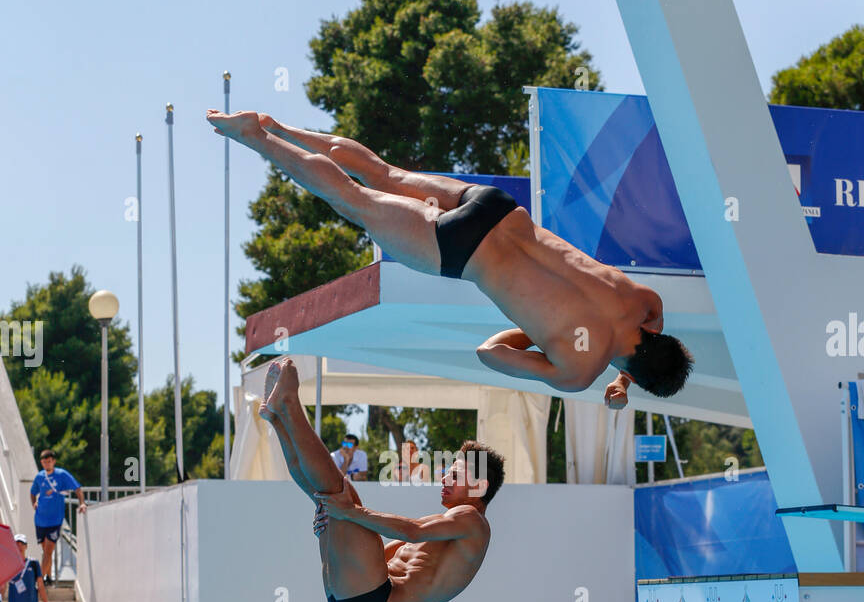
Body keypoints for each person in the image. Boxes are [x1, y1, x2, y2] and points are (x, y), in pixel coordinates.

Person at [206, 111, 694, 409]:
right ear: (637, 374)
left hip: (497, 209)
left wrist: (627, 372)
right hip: (462, 250)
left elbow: (646, 337)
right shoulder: (576, 369)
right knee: (352, 200)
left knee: (383, 172)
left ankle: (281, 127)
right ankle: (258, 138)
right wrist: (540, 333)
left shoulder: (643, 302)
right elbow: (490, 353)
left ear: (659, 338)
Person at [258, 357, 503, 602]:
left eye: (454, 475)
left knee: (339, 493)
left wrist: (351, 513)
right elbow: (381, 553)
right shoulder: (447, 532)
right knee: (326, 496)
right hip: (353, 599)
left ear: (480, 487)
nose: (444, 477)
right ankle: (277, 419)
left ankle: (289, 405)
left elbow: (412, 530)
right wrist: (336, 529)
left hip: (373, 599)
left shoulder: (472, 520)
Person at [30, 450, 86, 584]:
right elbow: (32, 492)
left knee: (48, 550)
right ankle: (48, 577)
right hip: (40, 518)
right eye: (44, 462)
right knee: (45, 550)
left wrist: (82, 503)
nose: (47, 464)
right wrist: (34, 503)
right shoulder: (39, 477)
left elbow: (77, 488)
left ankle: (38, 583)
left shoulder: (61, 474)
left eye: (49, 461)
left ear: (53, 461)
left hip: (55, 519)